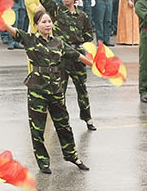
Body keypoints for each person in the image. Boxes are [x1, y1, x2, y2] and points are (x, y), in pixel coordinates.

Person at [5, 9, 93, 173]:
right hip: (37, 90)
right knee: (37, 128)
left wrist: (95, 65)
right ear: (36, 25)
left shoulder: (58, 42)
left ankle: (72, 156)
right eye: (44, 22)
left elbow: (76, 55)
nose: (48, 25)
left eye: (49, 21)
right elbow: (14, 31)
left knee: (64, 125)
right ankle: (43, 161)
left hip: (55, 89)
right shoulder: (30, 39)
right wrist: (0, 20)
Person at [36, 0, 96, 130]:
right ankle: (60, 120)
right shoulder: (57, 11)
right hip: (61, 55)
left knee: (81, 88)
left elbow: (89, 35)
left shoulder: (82, 16)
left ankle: (87, 118)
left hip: (77, 55)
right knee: (59, 89)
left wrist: (79, 42)